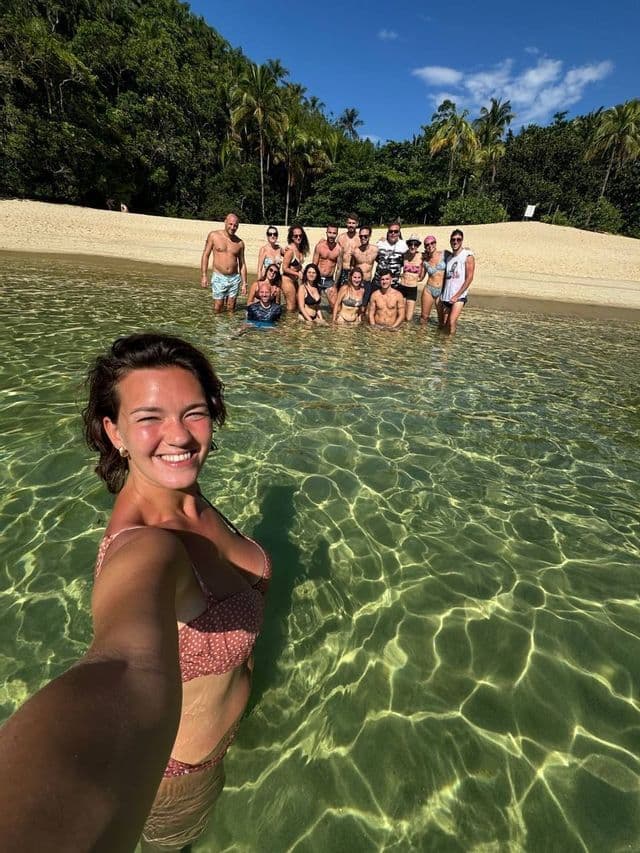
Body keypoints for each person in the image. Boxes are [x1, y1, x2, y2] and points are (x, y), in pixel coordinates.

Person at [88, 334, 271, 850]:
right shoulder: (146, 546)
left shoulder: (184, 494)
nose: (180, 436)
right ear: (114, 431)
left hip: (221, 727)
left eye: (194, 413)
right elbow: (114, 659)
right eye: (149, 418)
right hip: (180, 775)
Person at [199, 213, 247, 314]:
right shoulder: (214, 236)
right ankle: (217, 327)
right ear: (225, 222)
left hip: (234, 278)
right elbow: (206, 255)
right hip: (219, 276)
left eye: (235, 226)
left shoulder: (240, 243)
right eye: (230, 224)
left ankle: (229, 326)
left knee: (231, 307)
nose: (233, 227)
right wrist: (204, 275)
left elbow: (242, 264)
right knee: (218, 306)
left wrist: (244, 283)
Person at [441, 229, 475, 335]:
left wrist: (457, 295)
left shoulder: (467, 255)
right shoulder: (449, 258)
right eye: (453, 239)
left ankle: (450, 346)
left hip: (459, 297)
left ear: (462, 240)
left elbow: (469, 277)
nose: (455, 242)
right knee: (445, 324)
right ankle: (445, 347)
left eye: (458, 239)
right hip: (447, 296)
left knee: (451, 322)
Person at [312, 224, 342, 309]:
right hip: (317, 279)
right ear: (326, 233)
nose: (331, 235)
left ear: (337, 234)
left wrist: (335, 285)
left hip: (329, 280)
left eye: (334, 233)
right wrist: (312, 282)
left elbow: (339, 268)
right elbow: (314, 265)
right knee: (313, 305)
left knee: (335, 306)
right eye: (330, 232)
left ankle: (332, 322)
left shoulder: (339, 249)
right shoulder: (319, 246)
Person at [281, 225, 309, 312]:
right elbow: (284, 268)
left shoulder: (300, 250)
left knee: (297, 306)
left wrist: (302, 270)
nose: (298, 237)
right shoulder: (290, 250)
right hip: (287, 280)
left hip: (295, 281)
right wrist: (298, 274)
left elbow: (297, 266)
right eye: (296, 236)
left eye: (300, 235)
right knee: (291, 307)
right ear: (292, 237)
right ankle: (287, 324)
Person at [351, 225, 379, 308]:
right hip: (357, 283)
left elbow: (382, 262)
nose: (363, 238)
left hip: (367, 282)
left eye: (365, 236)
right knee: (355, 306)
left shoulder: (375, 250)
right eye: (361, 236)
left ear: (369, 236)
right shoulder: (355, 251)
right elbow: (352, 267)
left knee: (365, 307)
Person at [420, 235, 446, 326]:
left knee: (442, 320)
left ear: (435, 243)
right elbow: (421, 278)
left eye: (432, 243)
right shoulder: (425, 261)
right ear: (425, 247)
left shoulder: (444, 254)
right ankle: (421, 338)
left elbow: (456, 256)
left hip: (441, 291)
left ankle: (441, 339)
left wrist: (465, 250)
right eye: (427, 245)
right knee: (424, 317)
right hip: (429, 290)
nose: (430, 246)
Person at [399, 235, 425, 322]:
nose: (413, 246)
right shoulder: (404, 255)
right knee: (400, 316)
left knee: (408, 318)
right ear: (408, 245)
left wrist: (421, 277)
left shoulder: (422, 256)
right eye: (411, 244)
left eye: (415, 244)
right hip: (402, 287)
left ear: (418, 246)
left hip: (412, 288)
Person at [374, 223, 407, 290]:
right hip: (378, 283)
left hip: (394, 284)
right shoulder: (380, 243)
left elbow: (406, 260)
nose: (393, 233)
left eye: (396, 231)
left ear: (399, 233)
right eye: (391, 231)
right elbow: (376, 258)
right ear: (388, 232)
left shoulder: (404, 245)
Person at [337, 213, 360, 285]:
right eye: (349, 223)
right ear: (346, 224)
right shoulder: (341, 238)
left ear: (357, 224)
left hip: (355, 272)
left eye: (353, 223)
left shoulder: (360, 238)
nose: (351, 225)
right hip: (342, 270)